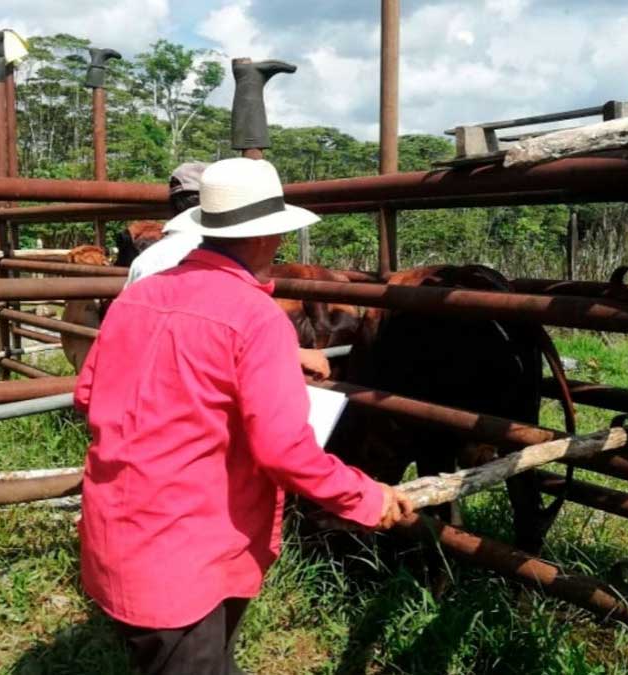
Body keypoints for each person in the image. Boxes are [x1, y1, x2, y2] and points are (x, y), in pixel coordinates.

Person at [74, 158, 414, 675]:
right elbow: (284, 450)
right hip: (188, 550)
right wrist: (366, 496)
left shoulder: (138, 298)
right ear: (265, 237)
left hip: (119, 530)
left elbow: (88, 394)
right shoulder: (255, 318)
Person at [125, 161, 330, 381]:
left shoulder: (137, 286)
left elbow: (88, 389)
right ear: (264, 238)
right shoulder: (257, 315)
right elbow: (276, 413)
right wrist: (284, 352)